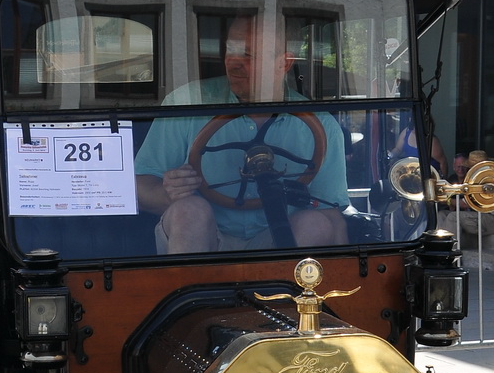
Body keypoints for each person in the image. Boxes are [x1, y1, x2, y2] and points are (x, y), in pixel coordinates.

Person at [134, 14, 349, 253]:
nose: (233, 62)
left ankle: (290, 290)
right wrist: (169, 192)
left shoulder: (322, 126)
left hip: (278, 243)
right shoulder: (186, 103)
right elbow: (140, 187)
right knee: (189, 210)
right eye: (230, 50)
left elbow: (330, 211)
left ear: (284, 64)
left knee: (316, 223)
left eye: (248, 55)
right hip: (202, 238)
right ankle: (191, 290)